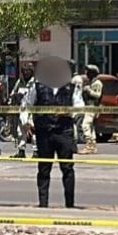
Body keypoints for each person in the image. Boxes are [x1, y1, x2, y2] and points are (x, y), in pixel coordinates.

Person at [21, 68, 84, 208]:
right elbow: (26, 104)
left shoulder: (72, 88)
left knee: (67, 168)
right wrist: (25, 121)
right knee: (44, 168)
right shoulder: (38, 87)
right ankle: (43, 204)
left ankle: (70, 204)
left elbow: (80, 107)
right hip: (44, 132)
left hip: (64, 132)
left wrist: (69, 112)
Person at [78, 64, 104, 154]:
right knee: (91, 127)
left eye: (88, 72)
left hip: (92, 107)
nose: (86, 74)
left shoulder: (97, 83)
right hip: (88, 106)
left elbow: (98, 95)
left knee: (85, 125)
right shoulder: (91, 82)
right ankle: (92, 146)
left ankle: (89, 145)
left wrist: (88, 90)